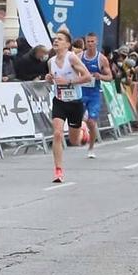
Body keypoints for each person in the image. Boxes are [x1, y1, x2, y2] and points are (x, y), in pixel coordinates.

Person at [44, 30, 93, 184]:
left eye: (60, 39)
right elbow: (53, 80)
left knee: (75, 141)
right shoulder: (50, 61)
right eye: (55, 39)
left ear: (67, 44)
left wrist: (69, 82)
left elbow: (87, 77)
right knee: (57, 134)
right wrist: (49, 79)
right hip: (59, 101)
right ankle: (58, 171)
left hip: (74, 103)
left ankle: (83, 131)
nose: (56, 41)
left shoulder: (71, 58)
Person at [77, 32, 109, 157]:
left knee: (91, 122)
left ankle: (91, 148)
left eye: (92, 41)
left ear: (96, 42)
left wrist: (99, 76)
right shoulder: (79, 57)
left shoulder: (101, 59)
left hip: (94, 94)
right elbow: (72, 70)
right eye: (88, 42)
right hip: (80, 92)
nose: (90, 44)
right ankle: (80, 136)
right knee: (76, 120)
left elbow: (110, 76)